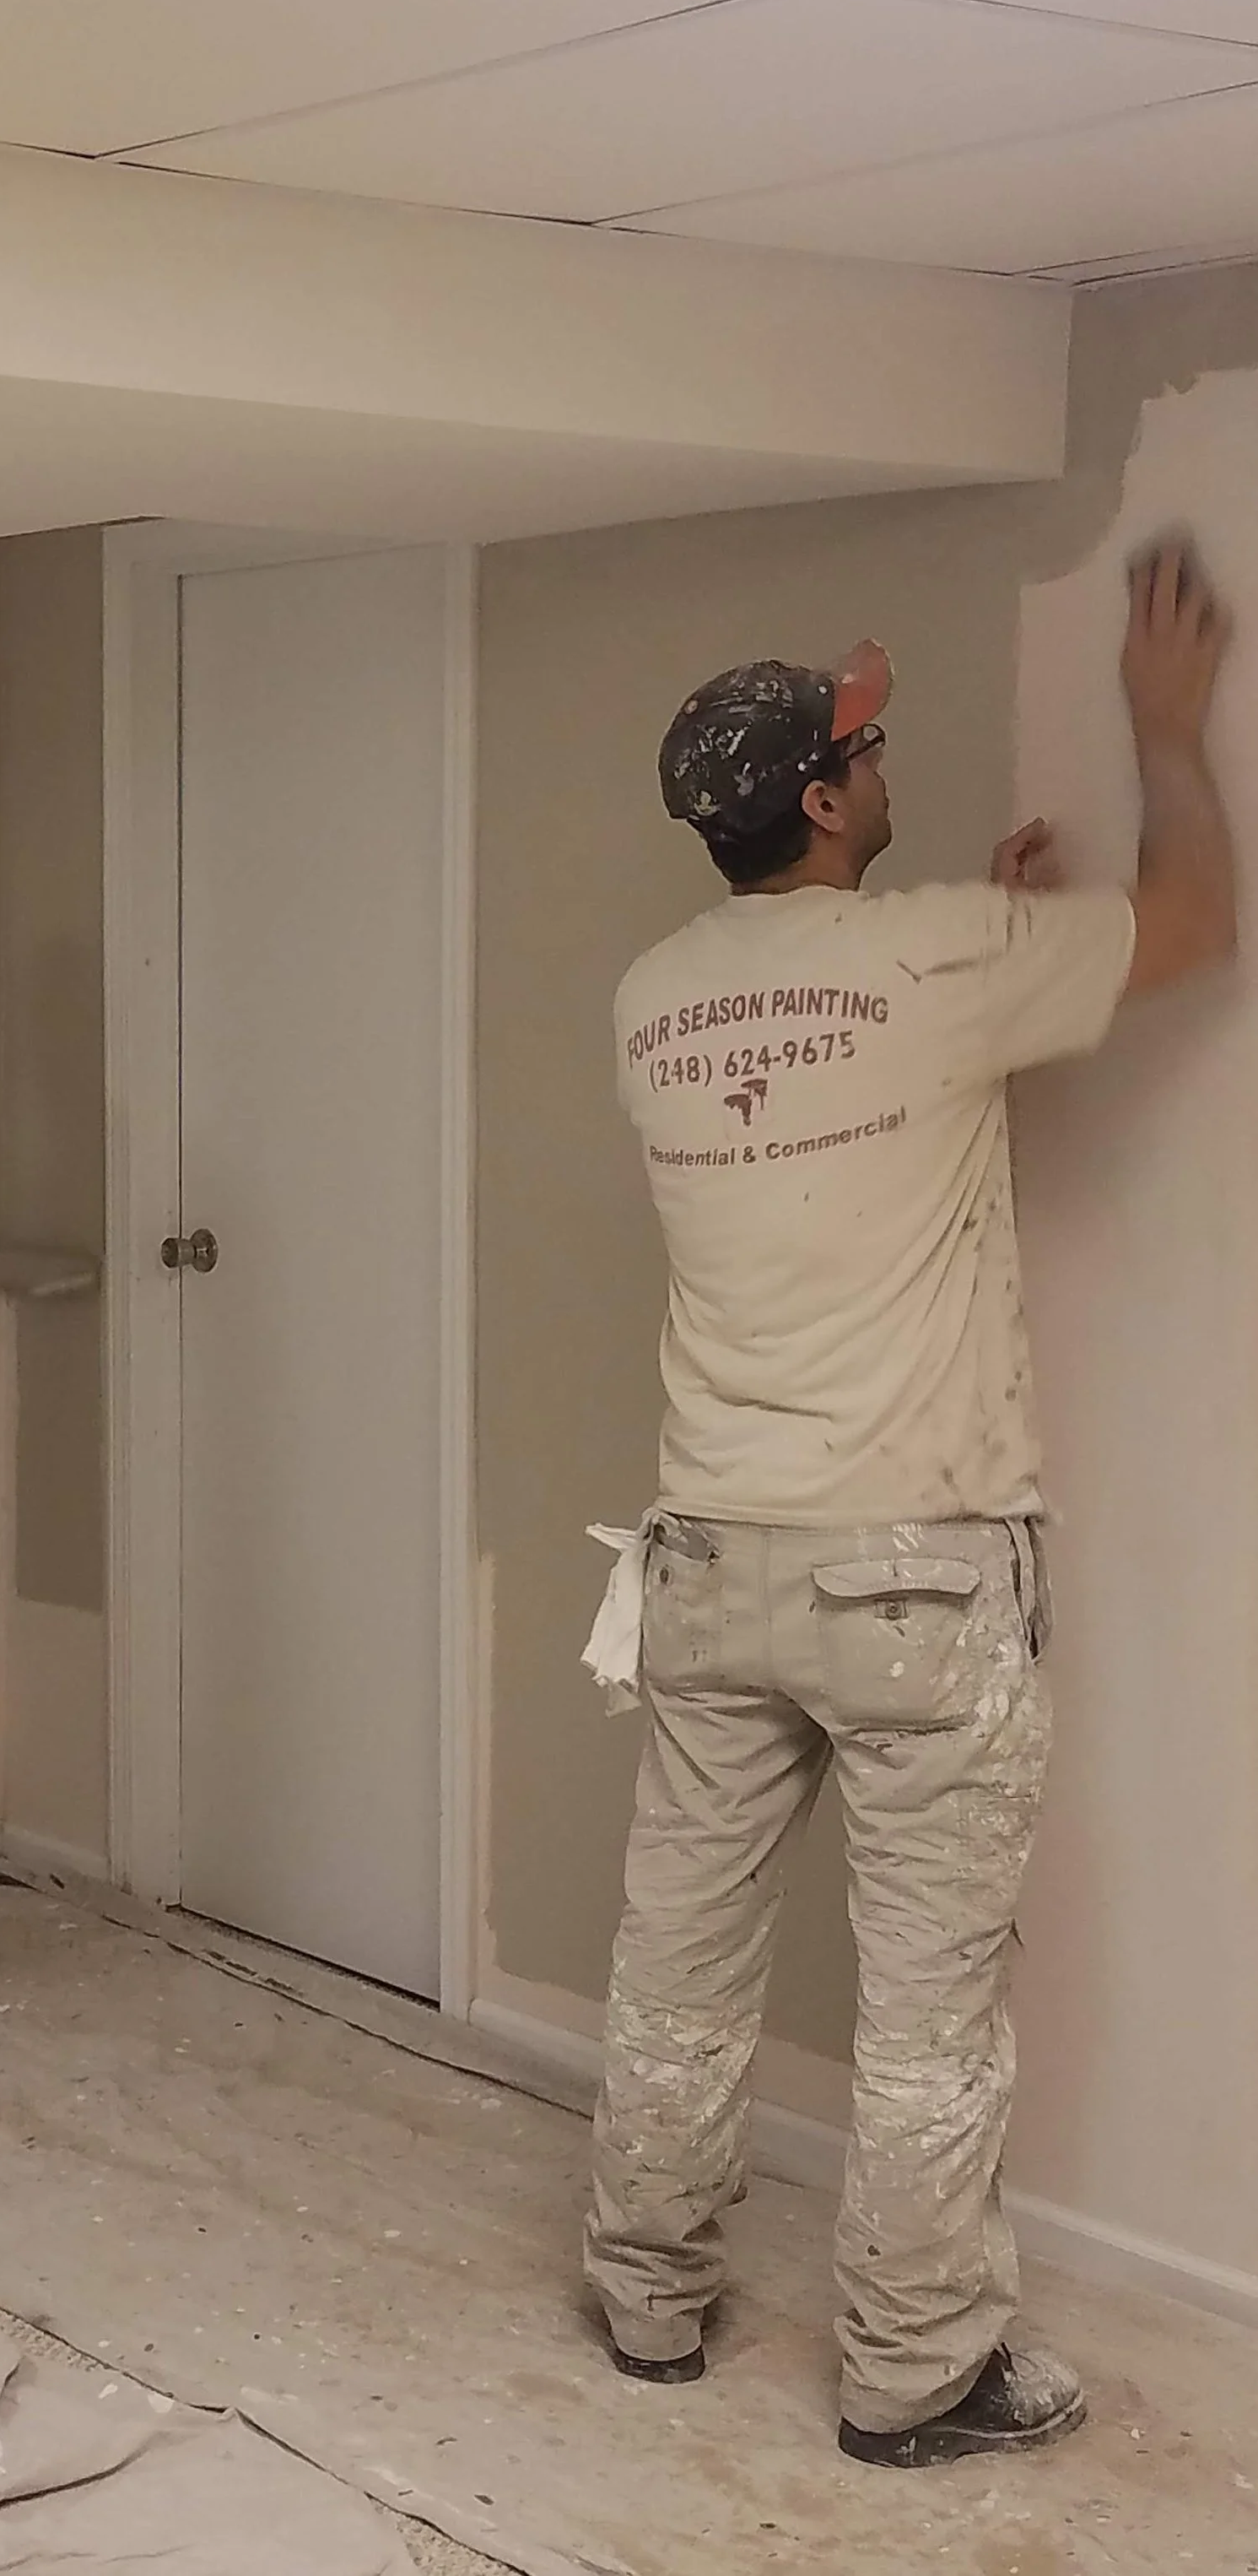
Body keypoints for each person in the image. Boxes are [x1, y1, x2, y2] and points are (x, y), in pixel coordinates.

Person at [586, 541, 1234, 2465]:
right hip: (914, 1583)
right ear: (815, 800)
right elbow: (1195, 914)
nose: (884, 766)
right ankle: (912, 2369)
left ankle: (643, 2297)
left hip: (706, 1560)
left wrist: (982, 941)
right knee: (929, 2004)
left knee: (675, 1966)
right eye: (862, 752)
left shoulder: (654, 995)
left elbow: (840, 1109)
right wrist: (1163, 731)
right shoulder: (931, 956)